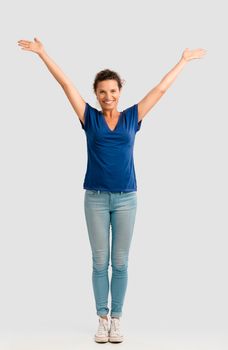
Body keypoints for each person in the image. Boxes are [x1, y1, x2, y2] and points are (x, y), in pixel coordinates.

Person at [17, 37, 207, 343]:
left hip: (126, 199)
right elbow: (66, 85)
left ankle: (116, 319)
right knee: (98, 261)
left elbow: (160, 89)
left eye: (113, 91)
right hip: (94, 198)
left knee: (120, 262)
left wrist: (183, 60)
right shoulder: (89, 117)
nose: (108, 96)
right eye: (102, 92)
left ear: (120, 92)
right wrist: (43, 53)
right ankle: (101, 318)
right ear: (96, 93)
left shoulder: (132, 116)